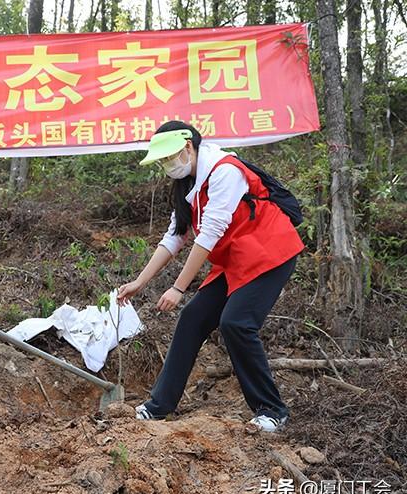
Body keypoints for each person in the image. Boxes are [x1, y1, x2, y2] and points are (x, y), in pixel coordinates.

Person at [117, 120, 304, 433]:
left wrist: (179, 287)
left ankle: (272, 411)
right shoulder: (187, 185)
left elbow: (209, 234)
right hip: (235, 257)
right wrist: (140, 282)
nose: (167, 164)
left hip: (270, 251)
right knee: (193, 317)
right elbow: (174, 238)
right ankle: (159, 405)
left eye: (169, 156)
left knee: (237, 323)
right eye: (162, 160)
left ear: (189, 146)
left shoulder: (224, 172)